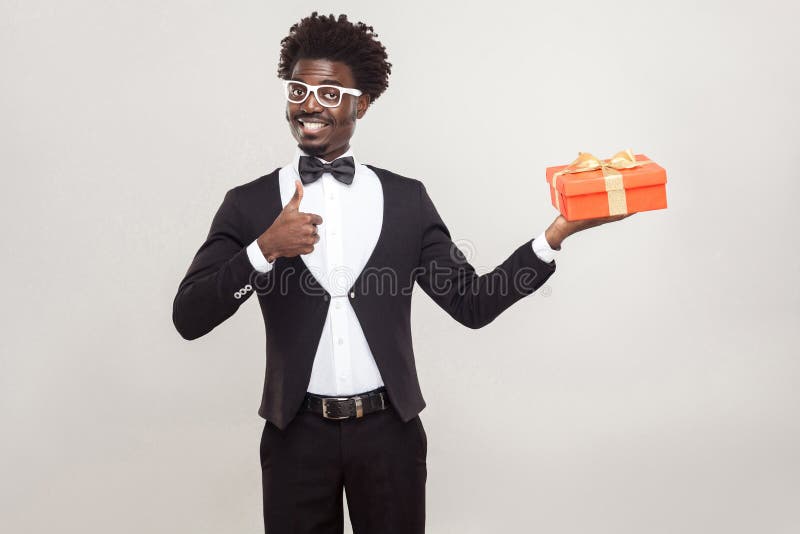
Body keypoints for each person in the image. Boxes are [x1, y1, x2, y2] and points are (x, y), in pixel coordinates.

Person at [172, 11, 630, 534]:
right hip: (294, 437)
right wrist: (263, 249)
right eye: (298, 90)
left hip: (389, 435)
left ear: (361, 103)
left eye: (328, 93)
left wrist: (555, 236)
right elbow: (188, 317)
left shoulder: (406, 200)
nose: (309, 106)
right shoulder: (248, 204)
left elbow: (472, 304)